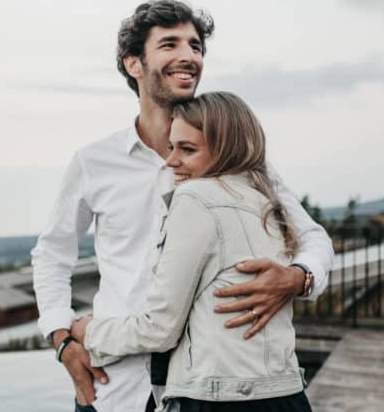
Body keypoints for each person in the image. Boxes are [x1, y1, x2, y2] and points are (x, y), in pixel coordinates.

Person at [31, 0, 333, 412]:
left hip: (207, 392)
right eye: (170, 44)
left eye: (195, 46)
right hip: (115, 385)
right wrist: (62, 340)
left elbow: (312, 236)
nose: (189, 56)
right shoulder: (93, 162)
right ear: (134, 64)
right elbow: (52, 254)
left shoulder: (240, 161)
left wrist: (299, 278)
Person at [71, 91, 313, 411]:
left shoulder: (195, 198)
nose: (171, 161)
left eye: (187, 149)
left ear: (226, 148)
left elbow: (160, 329)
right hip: (286, 394)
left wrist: (88, 332)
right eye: (172, 147)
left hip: (219, 400)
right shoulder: (267, 202)